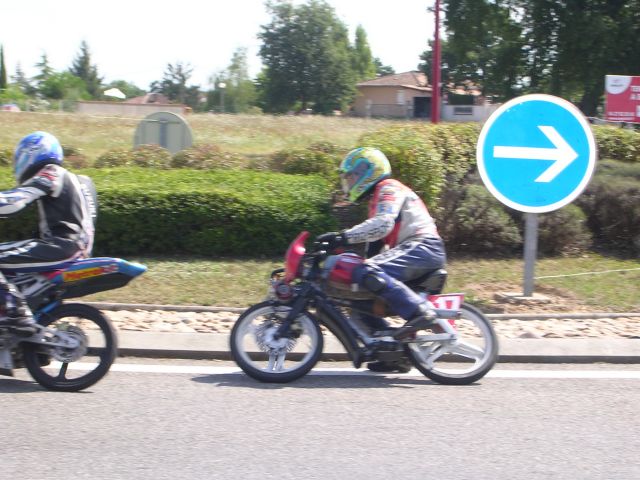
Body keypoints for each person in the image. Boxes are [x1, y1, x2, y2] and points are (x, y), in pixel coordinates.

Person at [316, 147, 447, 372]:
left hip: (423, 246)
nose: (349, 182)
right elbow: (374, 248)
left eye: (352, 176)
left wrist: (342, 237)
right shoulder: (376, 200)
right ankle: (393, 354)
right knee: (358, 298)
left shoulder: (389, 188)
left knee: (364, 270)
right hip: (415, 250)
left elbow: (383, 224)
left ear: (369, 172)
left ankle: (420, 313)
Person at [0, 131, 97, 333]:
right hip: (76, 248)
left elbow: (18, 200)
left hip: (62, 247)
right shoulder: (82, 181)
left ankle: (16, 313)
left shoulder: (51, 173)